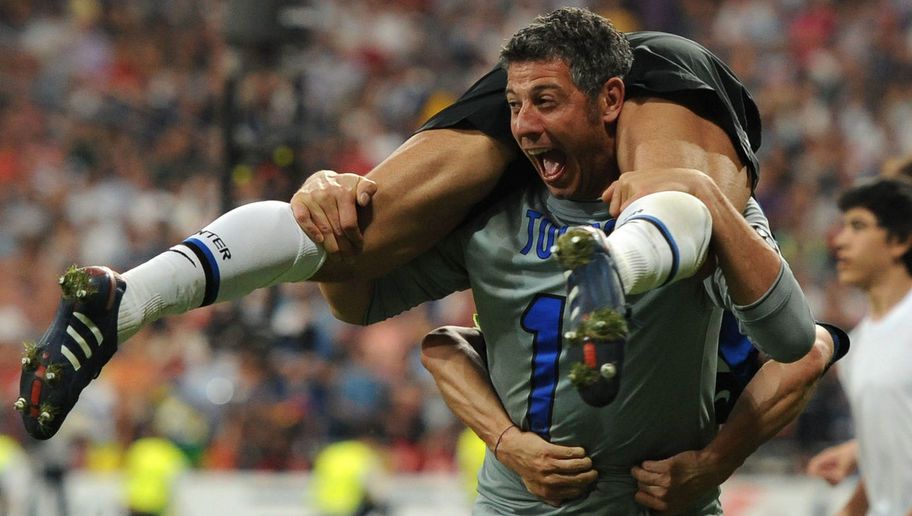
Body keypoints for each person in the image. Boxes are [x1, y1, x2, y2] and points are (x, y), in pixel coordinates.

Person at [313, 8, 836, 514]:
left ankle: (617, 264)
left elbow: (795, 341)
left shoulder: (701, 214)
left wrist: (714, 464)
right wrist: (323, 212)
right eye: (514, 105)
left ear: (610, 100)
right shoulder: (492, 221)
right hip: (516, 506)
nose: (524, 125)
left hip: (659, 504)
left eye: (545, 100)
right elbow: (370, 303)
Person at [806, 178, 912, 516]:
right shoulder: (858, 347)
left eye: (858, 226)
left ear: (900, 241)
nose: (840, 239)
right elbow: (891, 457)